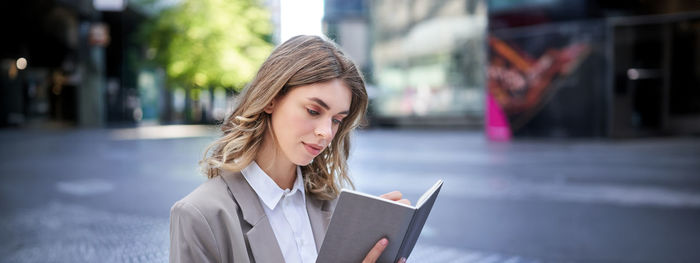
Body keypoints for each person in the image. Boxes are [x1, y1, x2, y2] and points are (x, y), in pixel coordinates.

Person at [169, 35, 409, 263]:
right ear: (272, 98)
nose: (326, 132)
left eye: (336, 120)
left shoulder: (335, 210)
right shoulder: (199, 215)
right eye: (313, 111)